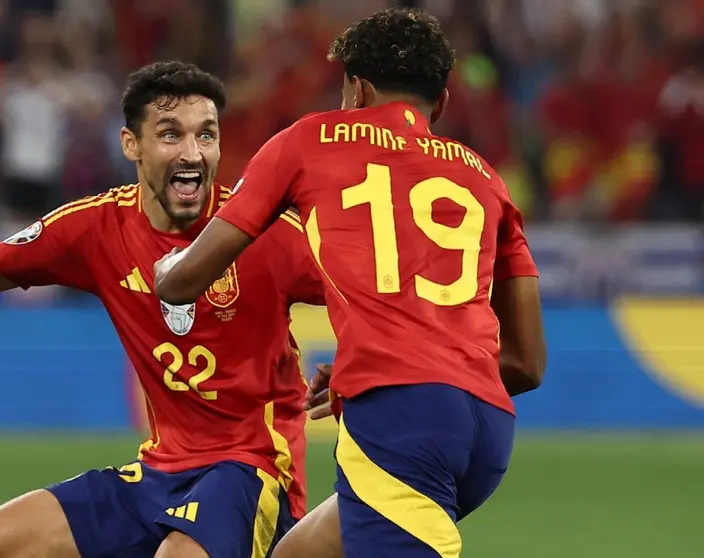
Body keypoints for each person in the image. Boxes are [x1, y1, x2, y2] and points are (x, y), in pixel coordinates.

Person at [0, 61, 326, 558]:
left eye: (206, 135)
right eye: (170, 134)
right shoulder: (95, 228)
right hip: (160, 471)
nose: (192, 152)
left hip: (253, 468)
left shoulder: (265, 234)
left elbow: (376, 292)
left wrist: (355, 365)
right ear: (130, 145)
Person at [153, 9, 547, 558]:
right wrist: (374, 365)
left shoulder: (309, 140)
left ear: (357, 90)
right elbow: (528, 363)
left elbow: (189, 278)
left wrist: (164, 270)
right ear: (441, 103)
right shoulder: (485, 177)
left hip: (403, 423)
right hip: (487, 431)